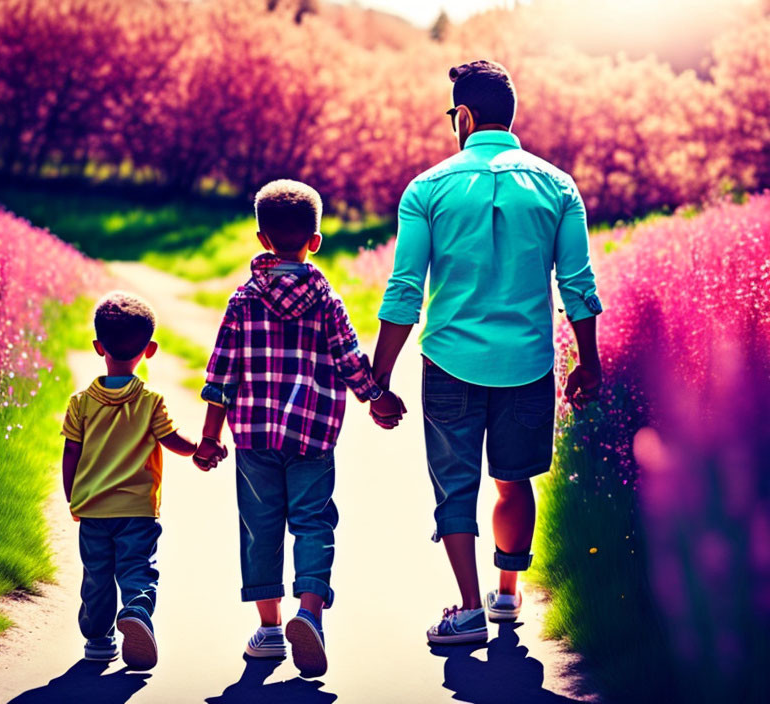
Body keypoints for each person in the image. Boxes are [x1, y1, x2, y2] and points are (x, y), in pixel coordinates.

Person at [371, 60, 603, 644]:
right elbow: (577, 283)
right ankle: (506, 593)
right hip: (528, 366)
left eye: (454, 116)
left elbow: (404, 290)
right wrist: (588, 360)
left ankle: (468, 608)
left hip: (449, 363)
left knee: (454, 488)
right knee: (512, 480)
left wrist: (380, 375)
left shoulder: (426, 188)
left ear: (465, 117)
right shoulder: (557, 186)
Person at [194, 179, 405, 678]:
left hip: (254, 435)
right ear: (315, 241)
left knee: (260, 527)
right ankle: (309, 612)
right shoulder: (327, 300)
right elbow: (351, 359)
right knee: (313, 522)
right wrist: (377, 397)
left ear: (262, 239)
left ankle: (269, 629)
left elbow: (220, 374)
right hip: (312, 436)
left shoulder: (242, 300)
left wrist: (208, 437)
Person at [60, 292, 198, 669]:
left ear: (97, 346)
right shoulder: (151, 400)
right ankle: (137, 611)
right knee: (138, 567)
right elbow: (173, 441)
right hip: (138, 509)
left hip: (93, 509)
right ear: (150, 350)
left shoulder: (80, 402)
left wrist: (73, 497)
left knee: (98, 574)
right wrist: (202, 448)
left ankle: (99, 638)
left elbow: (71, 454)